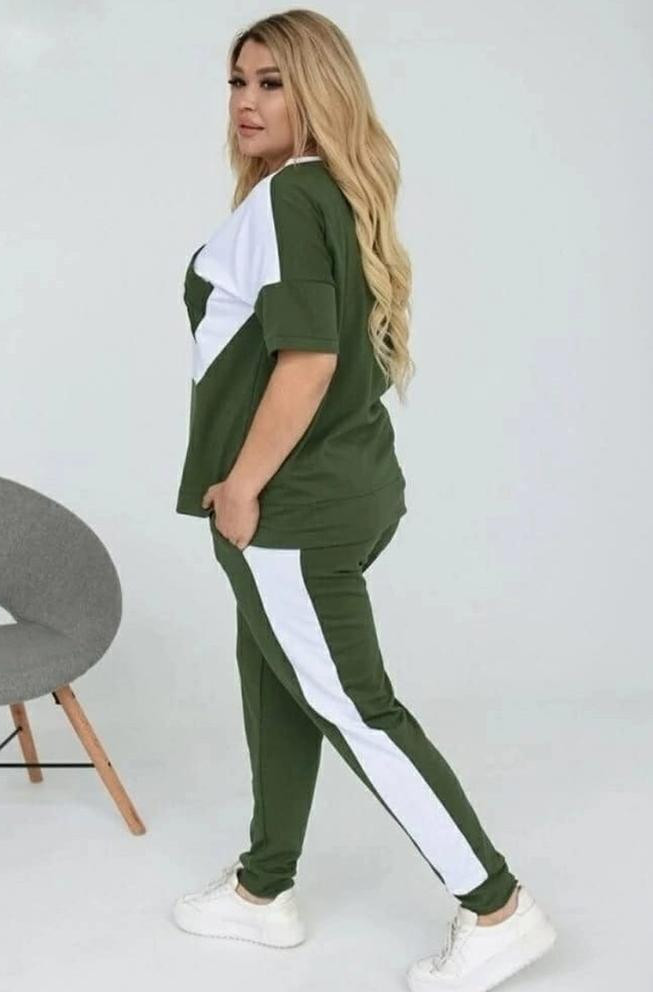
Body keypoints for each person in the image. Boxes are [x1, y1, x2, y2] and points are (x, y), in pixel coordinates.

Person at [172, 11, 557, 991]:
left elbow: (307, 360)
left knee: (356, 708)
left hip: (291, 506)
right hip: (346, 484)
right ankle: (262, 890)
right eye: (238, 81)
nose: (248, 102)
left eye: (272, 82)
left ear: (319, 92)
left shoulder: (289, 198)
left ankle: (497, 907)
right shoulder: (330, 192)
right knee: (280, 684)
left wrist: (242, 486)